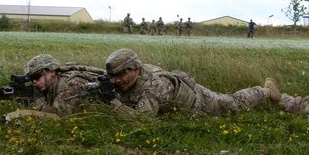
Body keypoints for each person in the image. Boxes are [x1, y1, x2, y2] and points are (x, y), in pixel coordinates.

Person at [100, 48, 281, 117]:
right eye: (113, 77)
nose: (117, 81)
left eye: (120, 75)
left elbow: (142, 121)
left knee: (234, 104)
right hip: (181, 98)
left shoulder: (156, 85)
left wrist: (112, 103)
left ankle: (266, 91)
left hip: (200, 102)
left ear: (134, 69)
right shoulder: (133, 77)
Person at [3, 54, 106, 121]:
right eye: (31, 79)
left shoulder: (73, 83)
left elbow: (56, 115)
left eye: (37, 76)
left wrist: (38, 100)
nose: (34, 81)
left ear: (52, 71)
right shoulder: (49, 86)